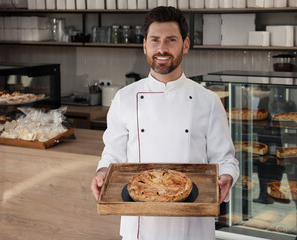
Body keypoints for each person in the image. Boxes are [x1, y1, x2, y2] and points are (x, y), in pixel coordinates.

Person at [91, 6, 239, 240]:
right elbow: (113, 155)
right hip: (138, 225)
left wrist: (227, 177)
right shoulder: (125, 98)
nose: (162, 49)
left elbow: (225, 159)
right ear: (144, 46)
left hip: (192, 226)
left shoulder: (208, 101)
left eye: (171, 40)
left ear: (186, 45)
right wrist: (102, 172)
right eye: (155, 40)